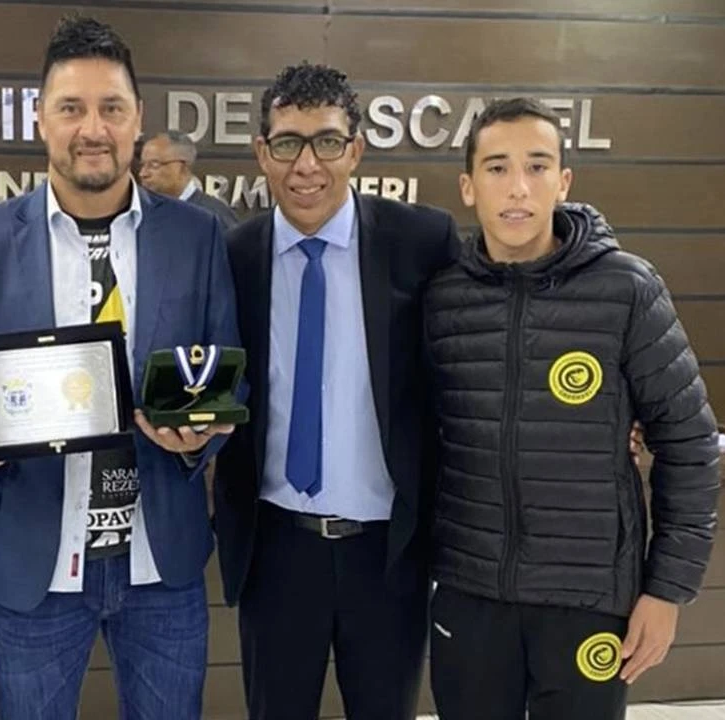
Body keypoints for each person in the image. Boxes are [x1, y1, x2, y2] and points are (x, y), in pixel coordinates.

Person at [0, 15, 240, 720]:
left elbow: (227, 370)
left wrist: (203, 436)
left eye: (111, 108)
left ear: (138, 120)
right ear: (40, 119)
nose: (92, 128)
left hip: (162, 561)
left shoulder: (197, 237)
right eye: (71, 108)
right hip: (35, 562)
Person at [423, 97, 720, 719]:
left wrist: (668, 590)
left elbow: (689, 443)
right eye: (497, 168)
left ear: (563, 182)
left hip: (588, 600)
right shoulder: (443, 297)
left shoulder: (627, 288)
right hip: (471, 593)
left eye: (537, 166)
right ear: (468, 186)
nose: (518, 188)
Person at [213, 62, 459, 719]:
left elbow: (479, 346)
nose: (306, 165)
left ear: (355, 150)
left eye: (326, 141)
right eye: (287, 143)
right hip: (275, 549)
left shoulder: (421, 242)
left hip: (387, 555)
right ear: (261, 152)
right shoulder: (234, 256)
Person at [138, 130, 239, 227]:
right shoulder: (141, 214)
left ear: (182, 168)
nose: (143, 174)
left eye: (154, 165)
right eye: (142, 165)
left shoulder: (214, 216)